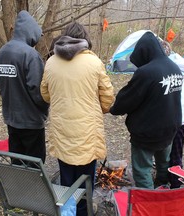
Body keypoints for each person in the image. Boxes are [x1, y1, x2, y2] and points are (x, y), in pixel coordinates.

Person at [40, 21, 114, 216]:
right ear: (85, 40)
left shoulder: (50, 62)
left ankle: (68, 211)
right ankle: (83, 210)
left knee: (66, 175)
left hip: (62, 130)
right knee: (86, 177)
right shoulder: (94, 62)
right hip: (87, 132)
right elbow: (107, 99)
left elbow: (45, 95)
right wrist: (99, 108)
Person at [110, 32, 183, 189]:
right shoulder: (174, 67)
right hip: (170, 128)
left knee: (142, 170)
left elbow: (127, 99)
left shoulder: (147, 72)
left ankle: (149, 202)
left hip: (147, 132)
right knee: (164, 164)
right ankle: (163, 189)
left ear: (144, 53)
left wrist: (114, 108)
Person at [0, 10, 49, 163]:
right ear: (30, 32)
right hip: (31, 122)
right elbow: (38, 92)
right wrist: (45, 109)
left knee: (17, 162)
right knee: (35, 166)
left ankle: (18, 187)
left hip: (11, 120)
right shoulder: (30, 55)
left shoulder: (2, 52)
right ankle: (33, 188)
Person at [167, 51, 184, 189]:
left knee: (174, 152)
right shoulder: (182, 66)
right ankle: (173, 177)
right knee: (176, 150)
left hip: (178, 116)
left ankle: (175, 184)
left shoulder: (170, 68)